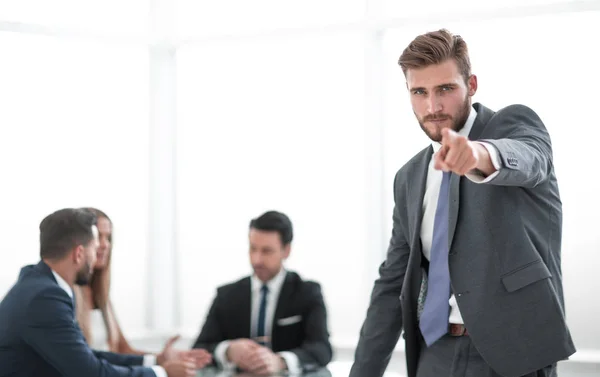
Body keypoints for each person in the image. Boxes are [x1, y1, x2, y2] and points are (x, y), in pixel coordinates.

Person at [349, 29, 575, 377]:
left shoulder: (513, 126)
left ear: (471, 84)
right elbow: (392, 284)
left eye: (445, 89)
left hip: (515, 353)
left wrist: (479, 154)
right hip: (434, 354)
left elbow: (529, 159)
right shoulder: (409, 177)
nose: (432, 106)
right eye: (419, 92)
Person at [0, 208, 209, 377]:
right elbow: (90, 372)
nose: (99, 252)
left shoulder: (40, 285)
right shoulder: (45, 298)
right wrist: (161, 373)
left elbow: (84, 357)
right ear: (79, 253)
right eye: (94, 245)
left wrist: (154, 361)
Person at [192, 210, 333, 375]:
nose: (257, 259)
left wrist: (280, 361)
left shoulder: (307, 292)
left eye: (267, 251)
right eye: (253, 249)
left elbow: (322, 349)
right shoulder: (226, 295)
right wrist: (228, 350)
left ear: (286, 250)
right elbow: (199, 348)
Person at [74, 207, 209, 365]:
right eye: (98, 237)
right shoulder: (67, 294)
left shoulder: (102, 297)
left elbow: (123, 350)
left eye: (108, 238)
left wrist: (162, 359)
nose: (104, 245)